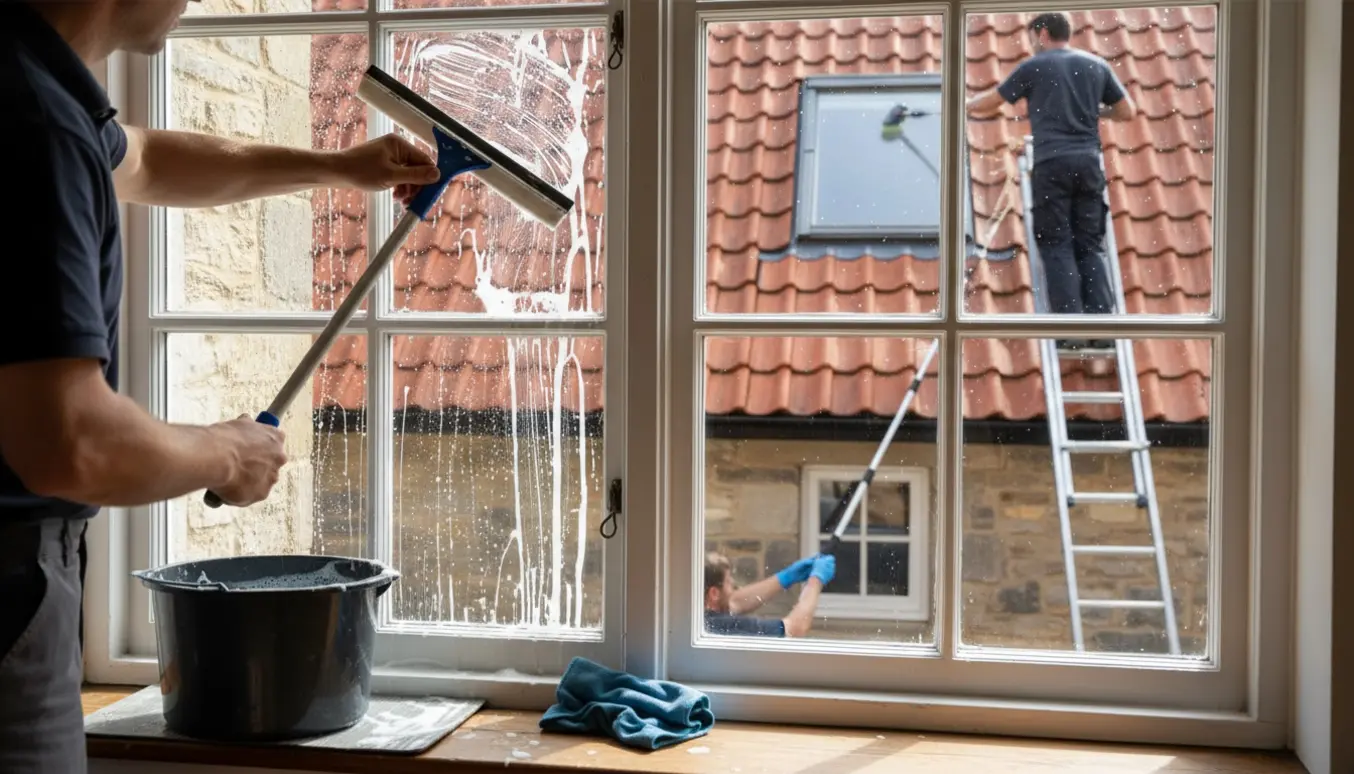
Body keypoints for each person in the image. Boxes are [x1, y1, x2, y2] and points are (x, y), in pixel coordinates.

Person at [0, 1, 442, 770]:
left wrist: (335, 167)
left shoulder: (32, 85)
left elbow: (147, 162)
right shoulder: (36, 124)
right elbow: (69, 442)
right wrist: (225, 454)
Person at [965, 12, 1137, 342]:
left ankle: (1070, 328)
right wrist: (1092, 110)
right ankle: (1101, 328)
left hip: (1052, 164)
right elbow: (1127, 111)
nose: (1031, 44)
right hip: (1088, 165)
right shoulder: (1096, 66)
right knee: (1089, 244)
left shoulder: (1035, 67)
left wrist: (964, 104)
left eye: (1031, 37)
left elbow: (993, 102)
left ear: (1042, 33)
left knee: (1057, 244)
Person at [703, 551, 835, 638]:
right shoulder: (720, 625)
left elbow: (735, 601)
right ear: (714, 593)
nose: (734, 585)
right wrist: (816, 580)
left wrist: (785, 577)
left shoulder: (696, 616)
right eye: (728, 582)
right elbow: (795, 628)